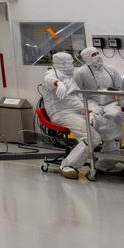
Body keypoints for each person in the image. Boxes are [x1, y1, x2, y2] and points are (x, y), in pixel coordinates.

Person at [73, 46, 124, 172]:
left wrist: (123, 105)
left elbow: (121, 88)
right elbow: (76, 92)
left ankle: (112, 149)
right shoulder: (80, 72)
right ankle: (108, 152)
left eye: (97, 53)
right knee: (94, 118)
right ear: (86, 58)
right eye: (93, 55)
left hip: (110, 102)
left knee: (115, 115)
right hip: (92, 102)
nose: (97, 56)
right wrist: (84, 107)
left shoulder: (111, 70)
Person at [41, 51, 88, 179]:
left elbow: (76, 96)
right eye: (66, 63)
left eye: (71, 62)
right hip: (62, 113)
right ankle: (68, 165)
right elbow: (49, 80)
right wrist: (58, 83)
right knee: (90, 136)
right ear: (58, 63)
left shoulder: (70, 77)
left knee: (105, 125)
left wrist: (87, 109)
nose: (70, 65)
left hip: (77, 111)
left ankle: (105, 163)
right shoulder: (52, 74)